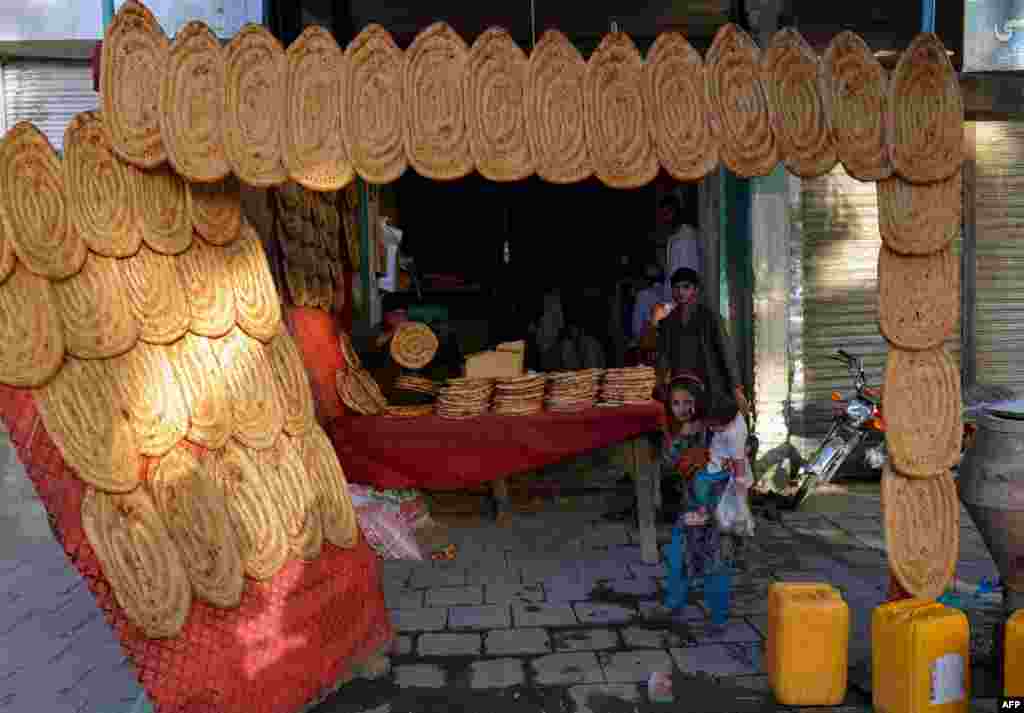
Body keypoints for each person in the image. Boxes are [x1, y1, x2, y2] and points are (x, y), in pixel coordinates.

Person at [663, 396, 754, 629]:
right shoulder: (682, 434)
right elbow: (673, 466)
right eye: (676, 403)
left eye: (688, 402)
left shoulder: (724, 429)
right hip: (693, 501)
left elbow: (741, 468)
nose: (683, 409)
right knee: (678, 552)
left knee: (716, 561)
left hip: (717, 502)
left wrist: (719, 509)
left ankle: (718, 617)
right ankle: (675, 602)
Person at [650, 267, 748, 417]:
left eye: (686, 287)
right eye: (676, 288)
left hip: (711, 385)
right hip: (682, 389)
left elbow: (726, 353)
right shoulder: (667, 323)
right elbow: (663, 358)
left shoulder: (710, 318)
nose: (681, 292)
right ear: (672, 291)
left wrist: (736, 388)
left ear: (695, 290)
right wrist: (658, 383)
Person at [658, 195, 702, 293]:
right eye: (663, 214)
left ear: (677, 212)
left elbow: (688, 270)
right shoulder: (673, 237)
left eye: (668, 213)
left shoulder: (687, 235)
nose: (666, 218)